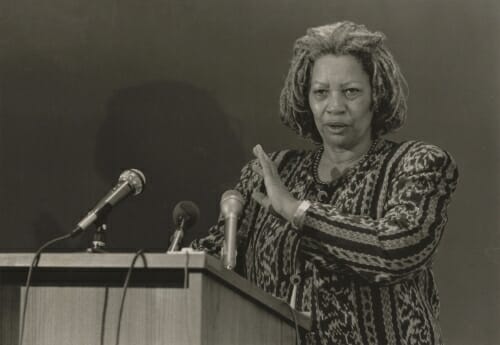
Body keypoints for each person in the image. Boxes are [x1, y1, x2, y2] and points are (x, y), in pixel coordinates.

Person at [192, 21, 458, 345]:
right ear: (306, 98)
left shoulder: (416, 163)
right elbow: (218, 262)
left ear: (377, 94)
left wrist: (297, 211)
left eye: (351, 92)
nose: (334, 107)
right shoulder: (270, 173)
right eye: (321, 92)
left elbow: (395, 250)